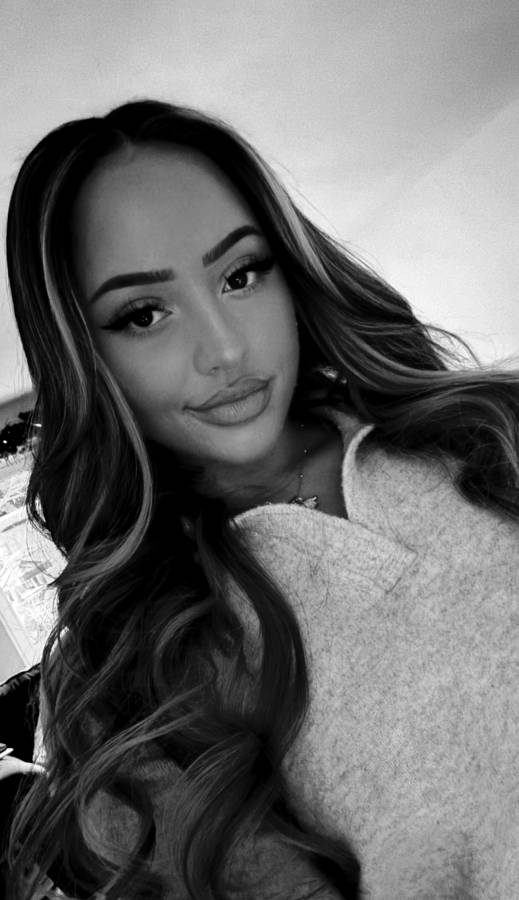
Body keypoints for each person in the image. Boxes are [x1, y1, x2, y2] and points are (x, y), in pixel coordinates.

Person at [3, 99, 518, 900]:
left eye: (239, 274)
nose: (225, 348)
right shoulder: (141, 675)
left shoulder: (485, 428)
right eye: (143, 314)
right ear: (82, 358)